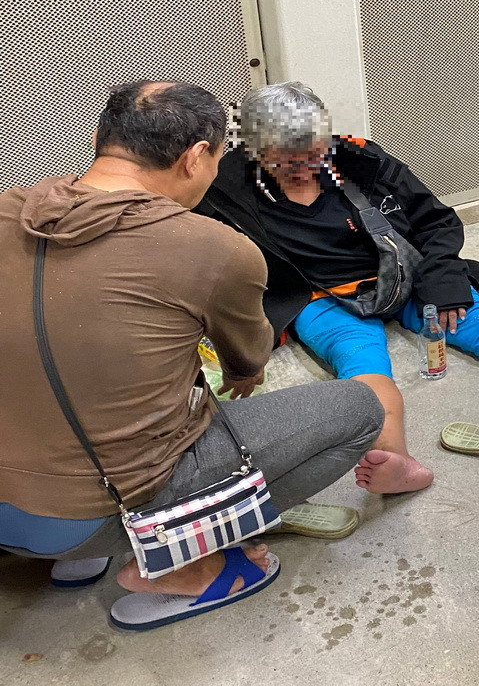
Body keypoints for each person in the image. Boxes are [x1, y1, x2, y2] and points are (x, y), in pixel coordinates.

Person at [0, 81, 385, 629]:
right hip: (88, 509)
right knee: (358, 409)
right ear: (195, 156)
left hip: (8, 512)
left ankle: (79, 562)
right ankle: (179, 566)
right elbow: (246, 364)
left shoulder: (11, 207)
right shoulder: (211, 247)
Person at [197, 82, 479, 492]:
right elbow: (209, 266)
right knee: (361, 360)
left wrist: (444, 281)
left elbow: (435, 220)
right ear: (256, 152)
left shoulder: (361, 158)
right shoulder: (225, 186)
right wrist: (240, 346)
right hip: (318, 293)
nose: (305, 168)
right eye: (287, 160)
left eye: (314, 152)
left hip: (402, 269)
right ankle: (398, 462)